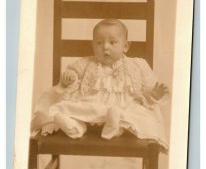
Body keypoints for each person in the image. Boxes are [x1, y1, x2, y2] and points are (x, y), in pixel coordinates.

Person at [31, 19, 169, 150]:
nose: (105, 47)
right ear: (92, 45)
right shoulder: (86, 63)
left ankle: (114, 128)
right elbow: (72, 73)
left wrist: (153, 94)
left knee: (134, 115)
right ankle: (74, 127)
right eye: (99, 43)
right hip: (91, 104)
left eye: (112, 42)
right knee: (66, 108)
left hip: (123, 106)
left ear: (126, 46)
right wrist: (69, 78)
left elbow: (147, 86)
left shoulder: (138, 64)